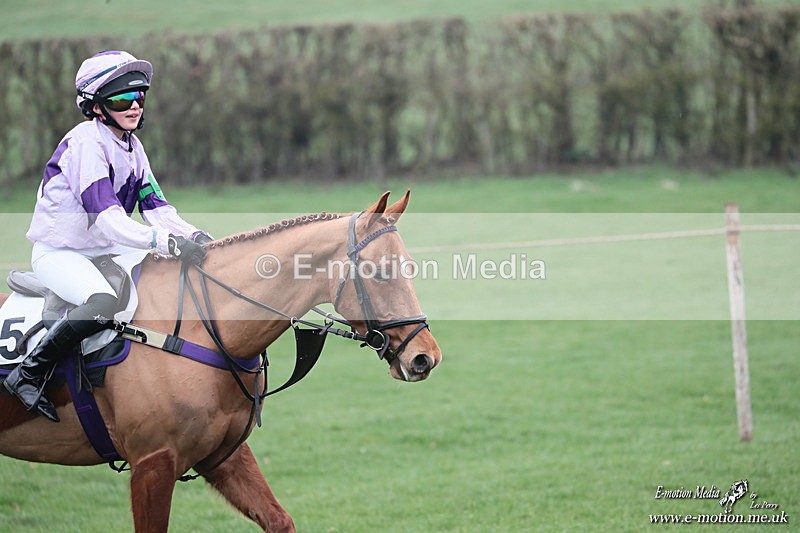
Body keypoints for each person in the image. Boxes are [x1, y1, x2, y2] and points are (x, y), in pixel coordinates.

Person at [3, 50, 212, 423]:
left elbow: (158, 209)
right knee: (101, 301)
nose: (133, 106)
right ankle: (28, 374)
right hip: (60, 253)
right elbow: (108, 221)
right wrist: (165, 242)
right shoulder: (86, 143)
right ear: (96, 106)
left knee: (161, 277)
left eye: (139, 97)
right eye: (121, 99)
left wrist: (195, 235)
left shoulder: (132, 146)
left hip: (100, 249)